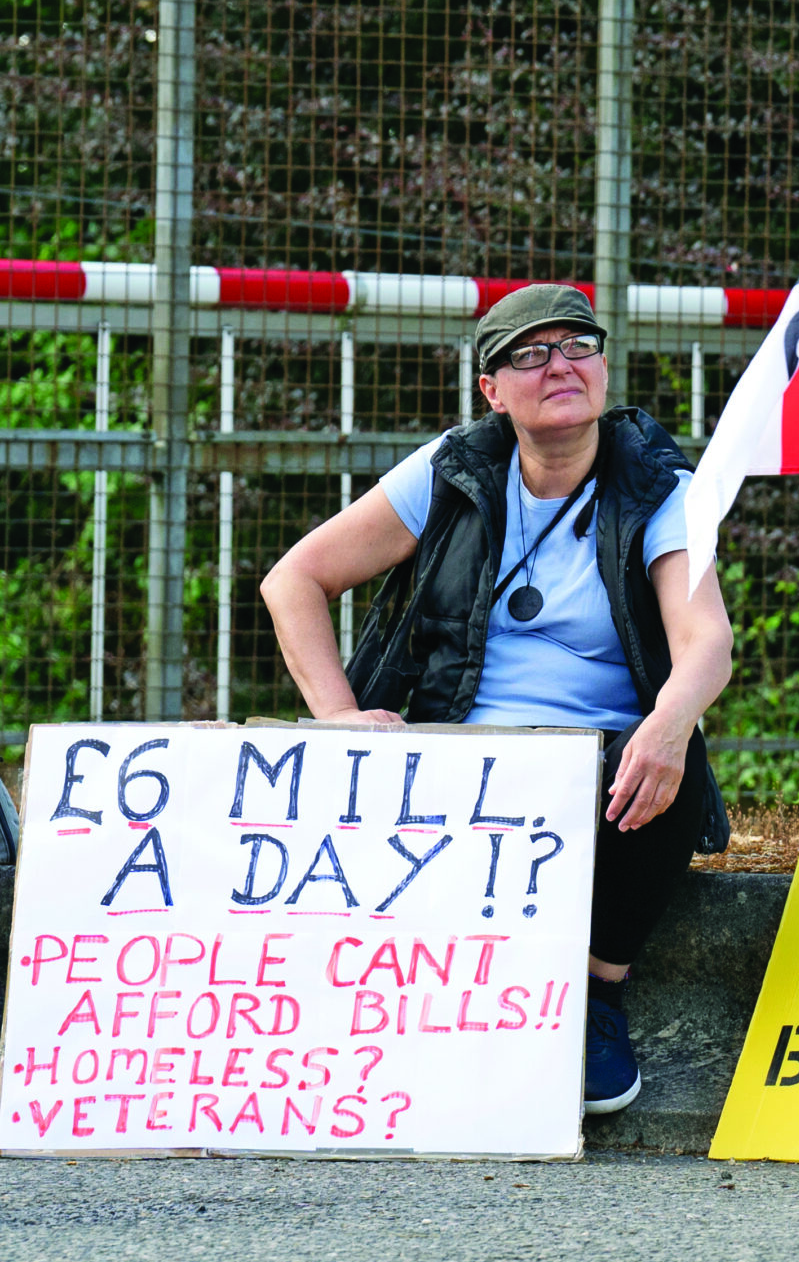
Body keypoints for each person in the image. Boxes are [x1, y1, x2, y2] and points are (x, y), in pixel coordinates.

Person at [260, 284, 734, 1117]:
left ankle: (596, 996)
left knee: (675, 755)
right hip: (454, 763)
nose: (560, 366)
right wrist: (338, 719)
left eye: (579, 345)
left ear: (604, 365)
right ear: (491, 389)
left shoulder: (661, 486)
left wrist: (667, 722)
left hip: (596, 770)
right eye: (530, 354)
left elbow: (706, 641)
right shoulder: (453, 470)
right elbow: (293, 579)